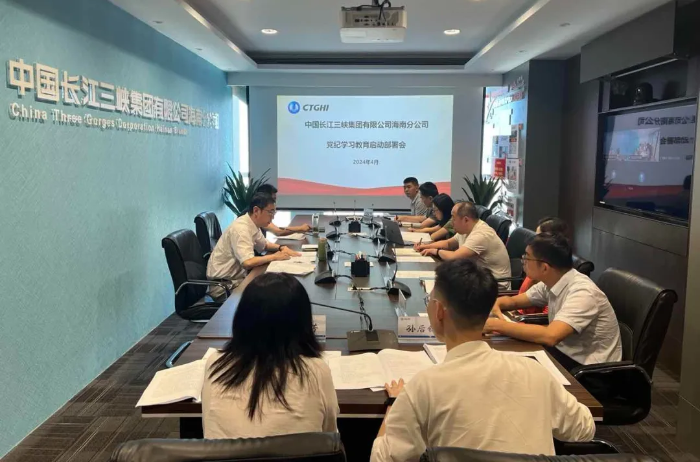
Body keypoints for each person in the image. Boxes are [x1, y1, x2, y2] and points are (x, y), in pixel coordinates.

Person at [370, 259, 595, 461]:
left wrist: (394, 404)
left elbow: (382, 458)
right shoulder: (534, 372)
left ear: (439, 311)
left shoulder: (422, 388)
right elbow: (584, 429)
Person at [203, 273, 339, 438]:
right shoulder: (316, 371)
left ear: (241, 319)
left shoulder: (215, 365)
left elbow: (209, 427)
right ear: (303, 322)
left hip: (223, 453)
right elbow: (329, 435)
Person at [485, 233, 622, 370]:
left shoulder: (583, 292)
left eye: (527, 257)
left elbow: (551, 336)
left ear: (544, 267)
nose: (523, 261)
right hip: (561, 352)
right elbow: (514, 302)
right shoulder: (552, 281)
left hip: (590, 369)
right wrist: (498, 304)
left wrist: (496, 325)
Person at [207, 194, 301, 290]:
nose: (273, 217)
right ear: (256, 210)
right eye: (270, 212)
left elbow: (265, 245)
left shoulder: (252, 224)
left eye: (274, 213)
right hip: (224, 286)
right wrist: (274, 256)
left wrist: (281, 248)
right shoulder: (241, 229)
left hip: (237, 280)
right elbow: (247, 262)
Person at [415, 202, 511, 288]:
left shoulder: (481, 234)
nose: (451, 222)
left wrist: (436, 251)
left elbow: (454, 257)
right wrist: (425, 246)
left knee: (442, 287)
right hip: (478, 279)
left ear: (465, 220)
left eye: (453, 218)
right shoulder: (466, 228)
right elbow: (448, 243)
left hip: (493, 286)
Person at [518, 217, 571, 315]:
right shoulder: (545, 283)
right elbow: (513, 302)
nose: (534, 243)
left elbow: (549, 324)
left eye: (539, 238)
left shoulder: (578, 293)